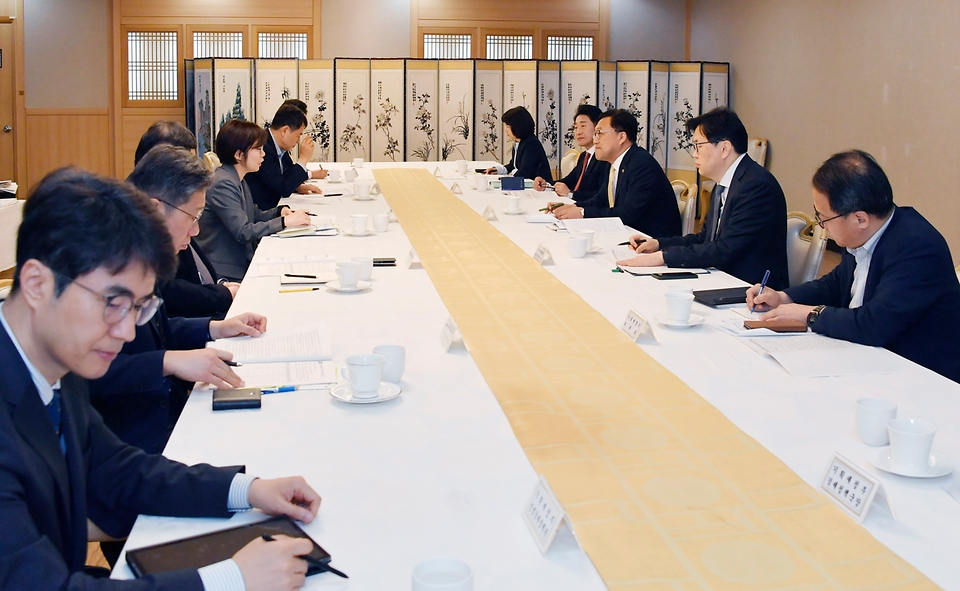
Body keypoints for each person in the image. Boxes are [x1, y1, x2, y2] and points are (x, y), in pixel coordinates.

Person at [0, 167, 321, 590]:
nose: (128, 332)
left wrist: (247, 490)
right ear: (38, 283)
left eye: (139, 308)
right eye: (113, 303)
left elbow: (119, 469)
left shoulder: (55, 360)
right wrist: (229, 580)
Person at [89, 145, 261, 454]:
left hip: (162, 411)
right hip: (131, 437)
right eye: (193, 216)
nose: (195, 230)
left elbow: (157, 327)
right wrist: (168, 361)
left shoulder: (143, 255)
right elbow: (85, 374)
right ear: (156, 209)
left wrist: (215, 328)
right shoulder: (102, 268)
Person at [748, 150, 960, 383]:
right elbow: (836, 284)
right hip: (870, 359)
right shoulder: (864, 235)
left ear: (860, 219)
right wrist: (784, 297)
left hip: (921, 377)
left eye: (823, 218)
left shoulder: (917, 248)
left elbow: (874, 325)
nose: (822, 226)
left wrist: (809, 314)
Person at [617, 107, 789, 290]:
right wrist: (659, 244)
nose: (694, 154)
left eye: (698, 145)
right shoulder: (724, 184)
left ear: (724, 148)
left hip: (750, 291)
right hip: (721, 277)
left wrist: (663, 257)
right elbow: (705, 238)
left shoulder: (756, 186)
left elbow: (724, 250)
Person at [133, 123, 240, 319]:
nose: (195, 230)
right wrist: (220, 295)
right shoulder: (129, 245)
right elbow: (169, 294)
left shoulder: (174, 209)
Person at [197, 119, 312, 282]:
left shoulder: (237, 178)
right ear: (238, 154)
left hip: (239, 261)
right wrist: (284, 222)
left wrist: (280, 212)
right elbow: (243, 231)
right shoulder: (223, 183)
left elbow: (254, 214)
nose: (263, 154)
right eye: (258, 149)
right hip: (226, 270)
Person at [550, 109, 681, 238]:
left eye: (599, 133)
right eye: (595, 134)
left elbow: (629, 213)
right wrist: (571, 207)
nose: (595, 140)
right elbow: (601, 199)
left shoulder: (641, 164)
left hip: (651, 242)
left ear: (621, 137)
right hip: (627, 234)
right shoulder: (614, 163)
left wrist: (583, 213)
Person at [245, 104, 326, 210]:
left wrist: (297, 187)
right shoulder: (263, 148)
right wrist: (303, 159)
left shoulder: (277, 144)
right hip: (262, 211)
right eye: (298, 135)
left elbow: (287, 175)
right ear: (285, 131)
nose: (298, 141)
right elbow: (284, 188)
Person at [533, 104, 609, 202]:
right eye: (576, 127)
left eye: (583, 126)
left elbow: (601, 195)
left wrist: (570, 194)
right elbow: (569, 181)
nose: (578, 132)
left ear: (597, 128)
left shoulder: (604, 157)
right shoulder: (584, 156)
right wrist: (545, 184)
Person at [484, 106, 552, 180]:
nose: (505, 130)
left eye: (508, 127)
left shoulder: (531, 144)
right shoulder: (519, 142)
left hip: (540, 187)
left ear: (518, 127)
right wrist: (498, 170)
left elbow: (525, 171)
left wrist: (507, 179)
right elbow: (514, 165)